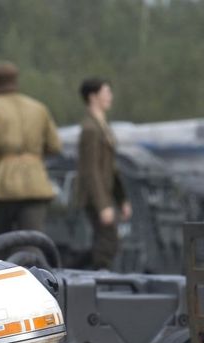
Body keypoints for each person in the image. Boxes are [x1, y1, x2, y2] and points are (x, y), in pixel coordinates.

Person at [0, 61, 61, 237]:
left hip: (1, 182)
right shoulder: (38, 108)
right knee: (33, 240)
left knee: (2, 240)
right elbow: (55, 145)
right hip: (36, 181)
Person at [76, 77, 132, 270]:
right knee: (107, 243)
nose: (110, 97)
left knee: (108, 242)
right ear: (93, 97)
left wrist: (121, 199)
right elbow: (90, 169)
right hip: (96, 196)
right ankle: (95, 278)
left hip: (105, 194)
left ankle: (92, 274)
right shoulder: (90, 129)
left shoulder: (102, 127)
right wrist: (102, 206)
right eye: (105, 93)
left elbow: (111, 167)